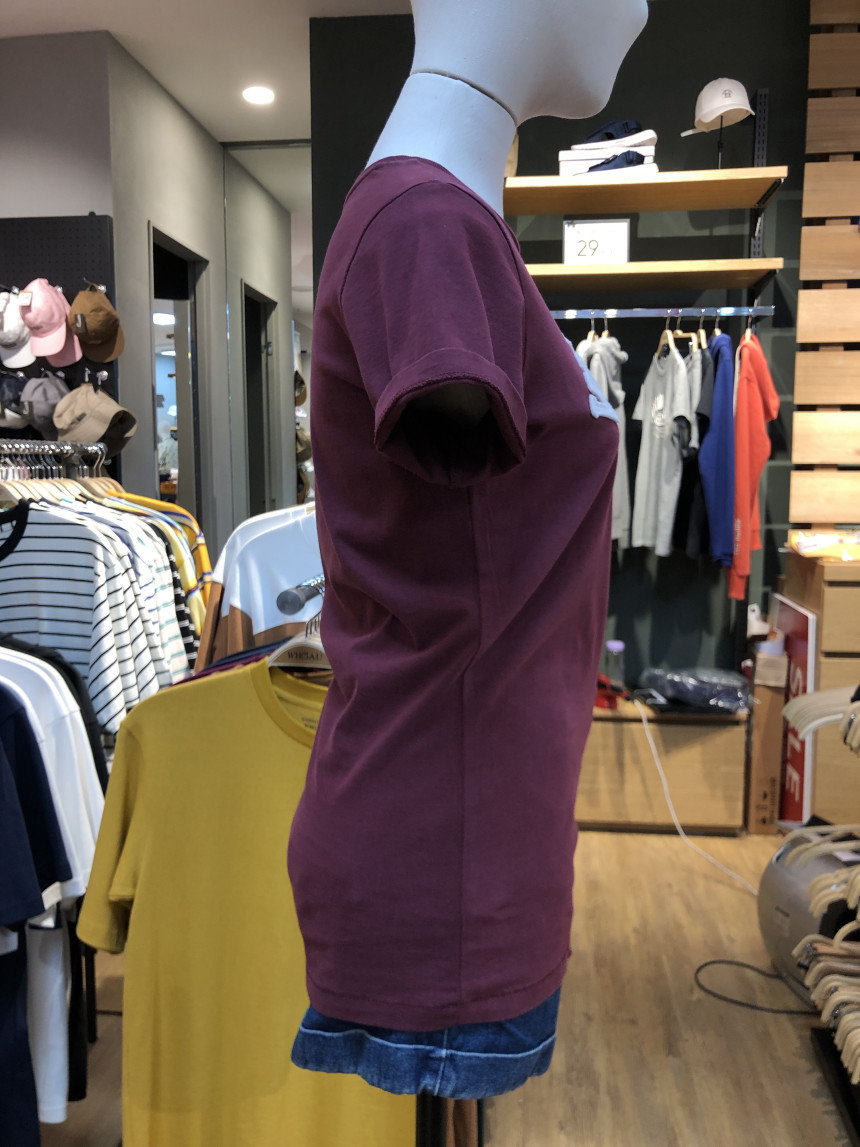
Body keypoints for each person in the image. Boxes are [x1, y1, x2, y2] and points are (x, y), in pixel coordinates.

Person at [288, 0, 648, 1101]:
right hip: (447, 862)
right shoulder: (426, 229)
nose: (641, 10)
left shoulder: (438, 217)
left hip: (464, 837)